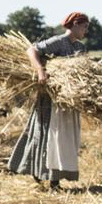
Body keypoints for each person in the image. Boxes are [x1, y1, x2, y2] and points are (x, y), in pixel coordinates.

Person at [7, 11, 89, 190]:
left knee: (64, 139)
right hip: (51, 99)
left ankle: (55, 178)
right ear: (74, 24)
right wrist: (40, 71)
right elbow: (32, 50)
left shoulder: (80, 48)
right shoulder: (59, 41)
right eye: (84, 27)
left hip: (68, 102)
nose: (85, 31)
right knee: (50, 136)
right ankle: (48, 178)